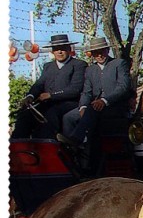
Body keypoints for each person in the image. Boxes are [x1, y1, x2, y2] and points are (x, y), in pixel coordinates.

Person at [58, 36, 132, 170]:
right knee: (69, 117)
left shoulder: (119, 64)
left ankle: (77, 139)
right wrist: (83, 106)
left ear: (107, 50)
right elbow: (86, 91)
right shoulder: (90, 70)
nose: (99, 55)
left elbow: (123, 87)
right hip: (94, 106)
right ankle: (71, 151)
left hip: (114, 105)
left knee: (93, 111)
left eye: (102, 51)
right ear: (91, 54)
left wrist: (105, 100)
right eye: (95, 52)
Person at [12, 34, 87, 139]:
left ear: (69, 49)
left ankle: (47, 145)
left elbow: (75, 89)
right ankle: (18, 146)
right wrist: (30, 96)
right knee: (25, 113)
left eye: (62, 49)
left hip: (69, 103)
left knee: (51, 114)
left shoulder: (79, 65)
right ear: (52, 51)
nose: (59, 52)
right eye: (56, 49)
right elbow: (39, 84)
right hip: (48, 103)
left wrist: (51, 95)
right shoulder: (48, 66)